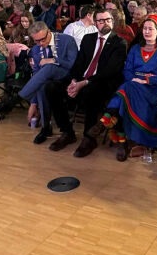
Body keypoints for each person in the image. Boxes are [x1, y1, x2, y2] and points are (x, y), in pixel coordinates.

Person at [45, 9, 128, 157]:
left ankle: (89, 138)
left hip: (103, 83)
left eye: (108, 19)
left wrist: (83, 83)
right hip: (82, 80)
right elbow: (79, 64)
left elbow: (110, 71)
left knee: (91, 90)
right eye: (101, 21)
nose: (105, 23)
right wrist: (73, 81)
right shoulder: (88, 39)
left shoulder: (119, 42)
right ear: (95, 24)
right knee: (52, 87)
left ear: (112, 21)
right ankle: (67, 132)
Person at [91, 13, 157, 160]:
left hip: (152, 89)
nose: (146, 32)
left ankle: (107, 119)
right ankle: (123, 141)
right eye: (144, 28)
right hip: (134, 84)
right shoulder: (135, 49)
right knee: (128, 89)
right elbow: (127, 69)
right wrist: (136, 79)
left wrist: (145, 80)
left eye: (151, 29)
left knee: (125, 90)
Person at [20, 21, 78, 144]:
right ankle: (46, 128)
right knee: (42, 87)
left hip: (67, 77)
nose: (40, 44)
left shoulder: (67, 40)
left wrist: (53, 60)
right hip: (48, 82)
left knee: (49, 67)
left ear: (49, 32)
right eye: (36, 41)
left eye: (42, 39)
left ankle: (19, 96)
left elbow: (72, 64)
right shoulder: (36, 50)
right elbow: (36, 75)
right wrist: (33, 103)